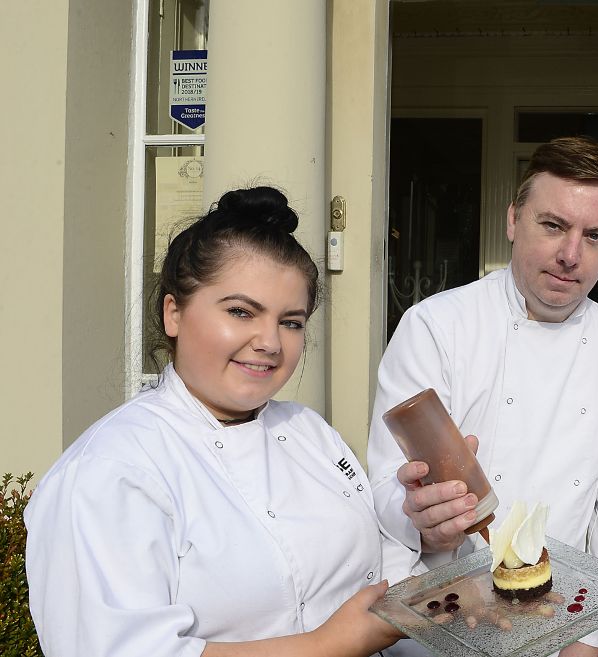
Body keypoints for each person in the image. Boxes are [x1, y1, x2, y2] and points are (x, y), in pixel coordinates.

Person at [25, 187, 412, 657]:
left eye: (291, 322)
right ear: (174, 313)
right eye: (241, 312)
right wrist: (329, 645)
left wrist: (430, 530)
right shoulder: (111, 470)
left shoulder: (309, 432)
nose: (270, 342)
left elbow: (374, 564)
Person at [366, 136, 598, 656]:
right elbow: (387, 484)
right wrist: (424, 522)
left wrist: (593, 638)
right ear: (513, 221)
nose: (570, 255)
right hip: (436, 624)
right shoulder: (437, 326)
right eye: (553, 225)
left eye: (595, 236)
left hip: (557, 627)